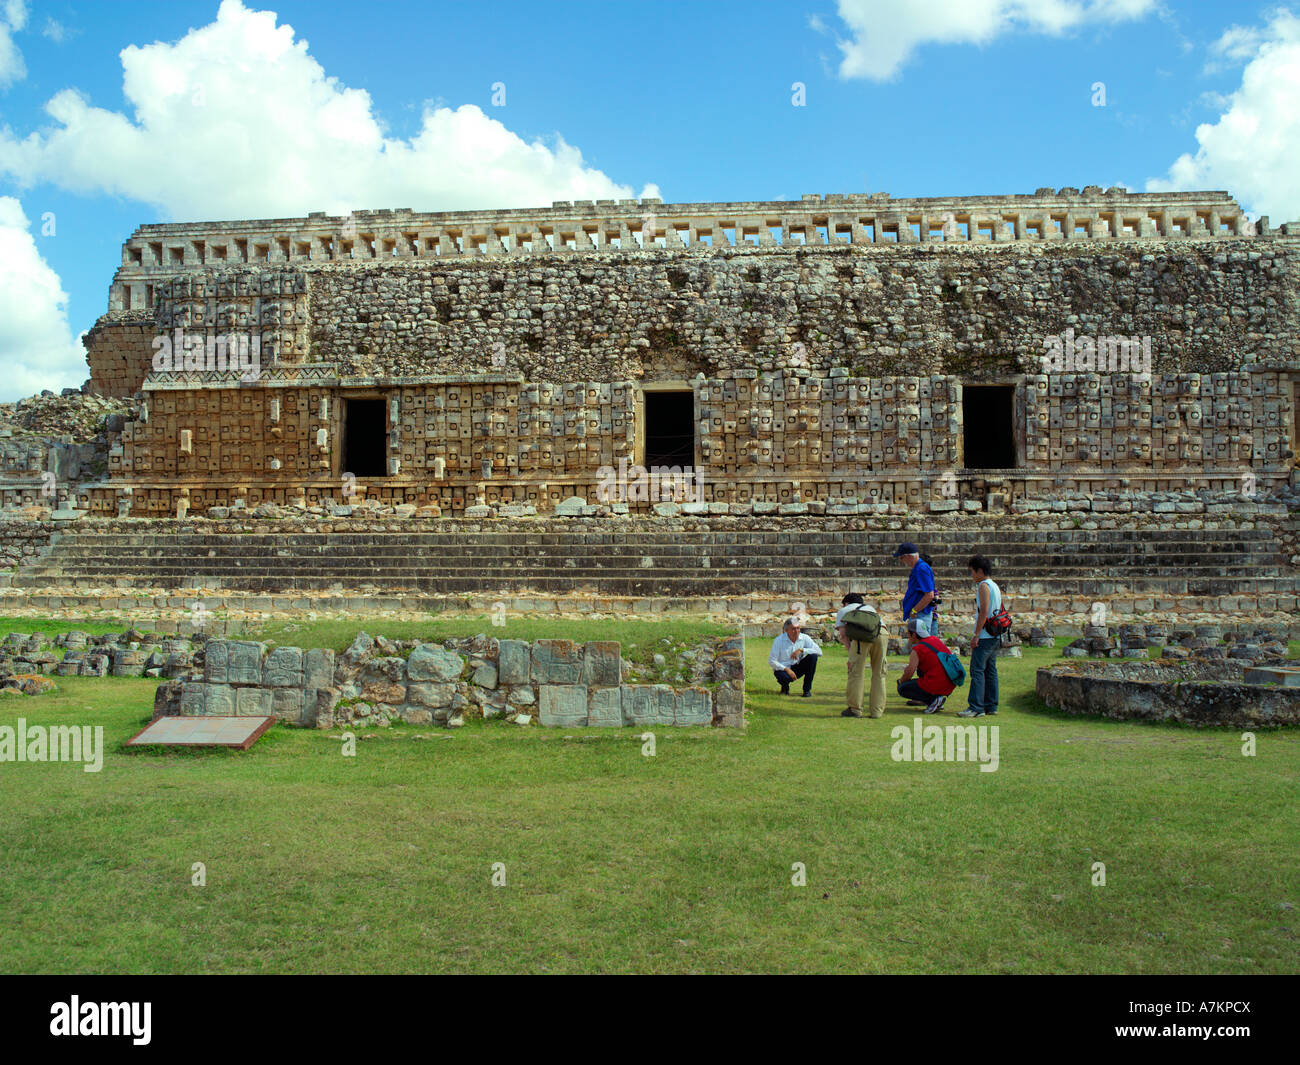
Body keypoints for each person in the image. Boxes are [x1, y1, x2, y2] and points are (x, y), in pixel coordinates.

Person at [959, 555, 1001, 718]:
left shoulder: (983, 586)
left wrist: (976, 635)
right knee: (990, 669)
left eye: (973, 571)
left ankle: (976, 706)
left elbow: (984, 611)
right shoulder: (994, 586)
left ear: (980, 571)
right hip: (993, 634)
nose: (972, 575)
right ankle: (991, 704)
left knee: (977, 670)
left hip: (985, 635)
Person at [834, 593, 887, 719]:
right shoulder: (870, 609)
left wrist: (850, 656)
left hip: (861, 637)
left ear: (846, 603)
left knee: (856, 672)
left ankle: (855, 709)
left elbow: (843, 635)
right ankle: (877, 711)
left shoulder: (844, 610)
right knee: (879, 673)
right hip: (882, 633)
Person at [896, 617, 956, 715]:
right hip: (950, 683)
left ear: (914, 634)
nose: (907, 635)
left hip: (937, 683)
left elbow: (909, 673)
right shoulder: (935, 640)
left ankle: (933, 700)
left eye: (909, 633)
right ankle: (937, 699)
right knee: (920, 672)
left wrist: (900, 681)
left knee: (902, 688)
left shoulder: (918, 649)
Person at [768, 616, 822, 697]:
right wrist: (787, 670)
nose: (796, 631)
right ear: (786, 630)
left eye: (798, 628)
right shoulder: (778, 640)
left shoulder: (804, 638)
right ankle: (785, 688)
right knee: (783, 677)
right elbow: (772, 661)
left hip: (797, 666)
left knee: (813, 657)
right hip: (783, 669)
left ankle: (807, 690)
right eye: (793, 629)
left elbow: (819, 652)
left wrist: (802, 650)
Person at [893, 541, 937, 637]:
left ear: (909, 556)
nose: (901, 561)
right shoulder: (918, 568)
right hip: (918, 614)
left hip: (920, 615)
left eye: (901, 558)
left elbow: (929, 595)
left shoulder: (921, 568)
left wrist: (914, 611)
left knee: (920, 646)